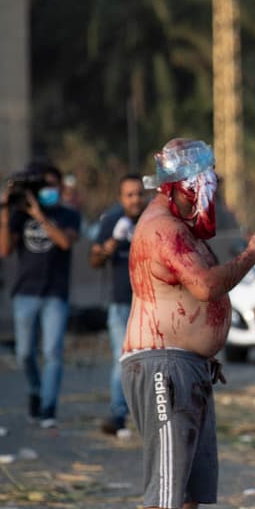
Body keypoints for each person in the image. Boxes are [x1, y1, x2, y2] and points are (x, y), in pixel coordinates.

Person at [122, 138, 255, 509]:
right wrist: (252, 256)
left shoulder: (184, 228)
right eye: (209, 185)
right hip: (161, 361)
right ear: (188, 187)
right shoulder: (162, 229)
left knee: (191, 479)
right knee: (168, 472)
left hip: (189, 365)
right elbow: (204, 285)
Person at [0, 163, 82, 428]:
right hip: (25, 292)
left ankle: (48, 407)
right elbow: (3, 250)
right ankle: (35, 389)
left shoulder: (68, 215)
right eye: (42, 186)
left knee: (52, 352)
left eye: (52, 185)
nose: (47, 191)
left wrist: (42, 216)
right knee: (24, 353)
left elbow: (65, 242)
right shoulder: (20, 215)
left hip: (55, 293)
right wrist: (5, 210)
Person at [90, 173, 145, 437]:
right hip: (121, 302)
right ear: (121, 197)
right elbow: (94, 260)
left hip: (150, 304)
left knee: (149, 362)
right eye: (129, 195)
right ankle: (117, 414)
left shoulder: (153, 220)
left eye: (139, 194)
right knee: (122, 359)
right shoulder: (112, 220)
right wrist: (109, 246)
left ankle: (147, 416)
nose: (135, 200)